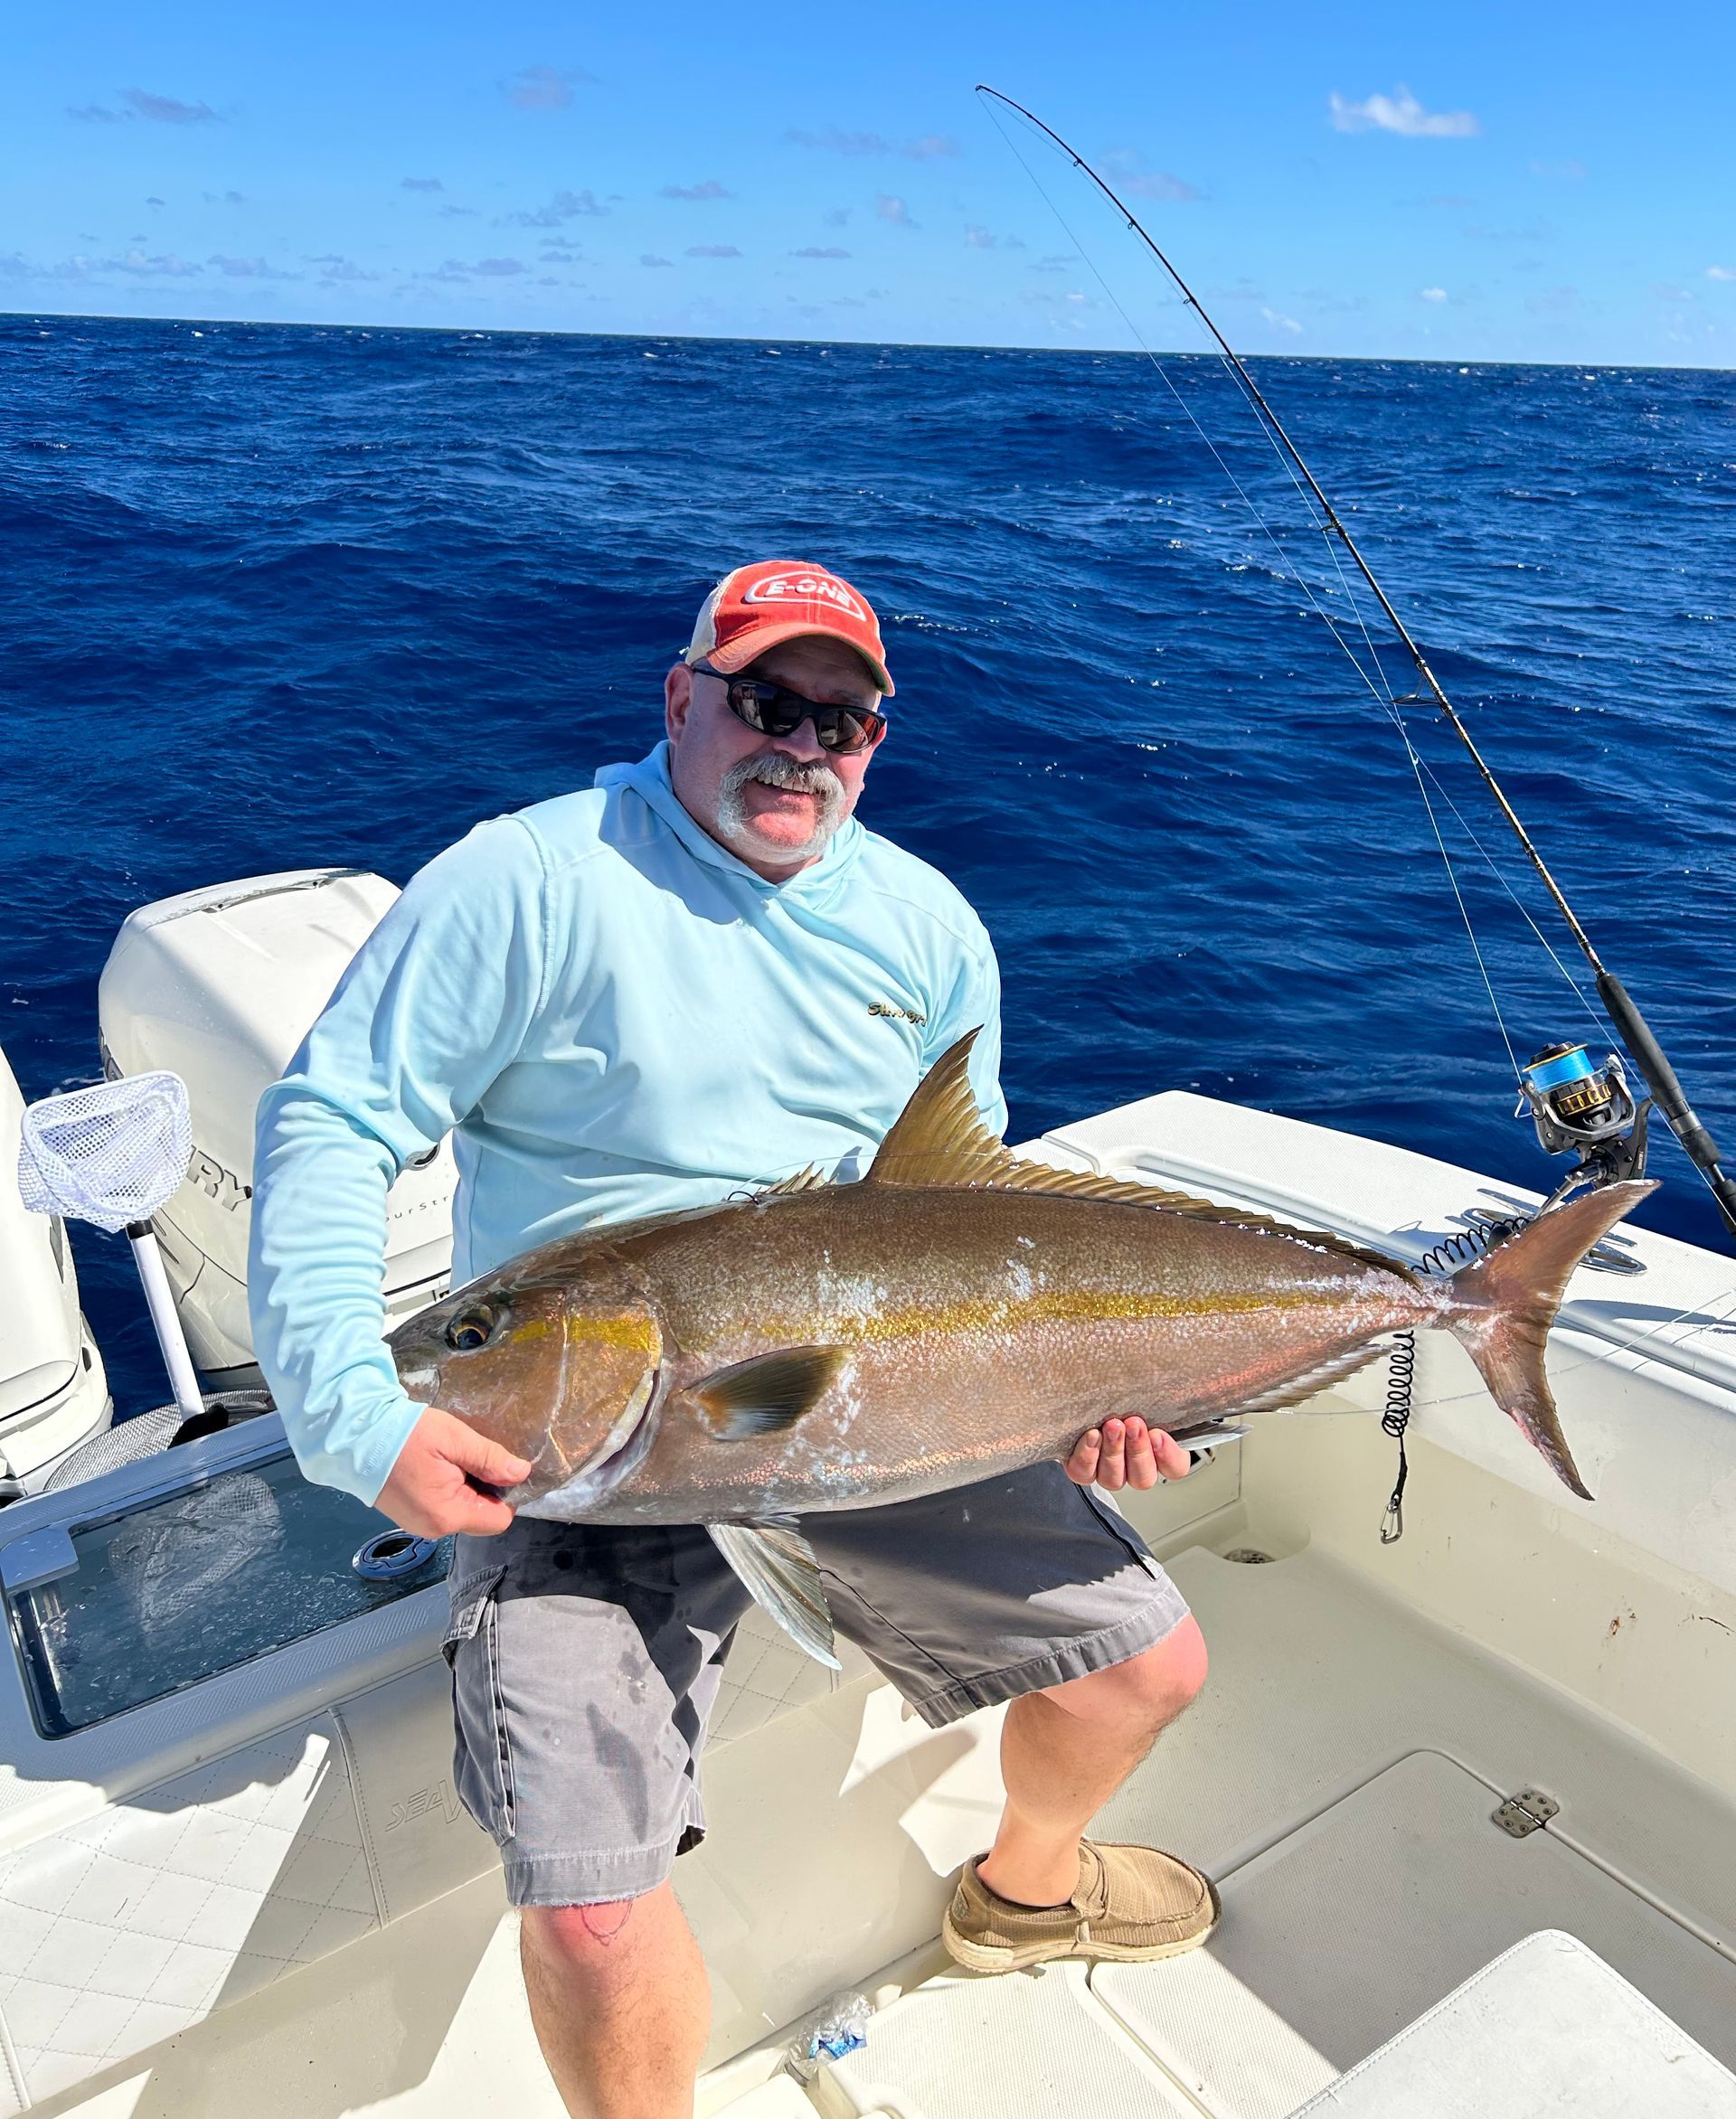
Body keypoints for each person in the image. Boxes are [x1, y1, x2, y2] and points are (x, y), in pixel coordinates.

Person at [250, 559, 1214, 2119]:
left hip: (867, 1392)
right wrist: (360, 1419)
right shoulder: (533, 879)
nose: (805, 746)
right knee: (588, 1902)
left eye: (847, 721)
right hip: (583, 1437)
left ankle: (1024, 1895)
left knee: (1144, 1668)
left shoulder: (924, 924)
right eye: (768, 701)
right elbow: (329, 1125)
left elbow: (963, 1209)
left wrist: (1086, 1399)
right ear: (683, 696)